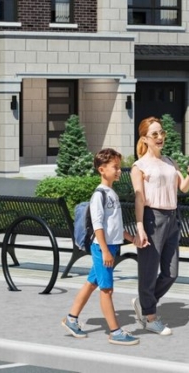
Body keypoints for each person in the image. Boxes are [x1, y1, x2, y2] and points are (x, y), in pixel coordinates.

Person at [130, 117, 189, 336]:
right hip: (152, 218)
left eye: (161, 132)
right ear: (145, 138)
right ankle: (150, 317)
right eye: (155, 134)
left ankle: (146, 302)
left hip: (172, 218)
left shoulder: (170, 161)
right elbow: (139, 199)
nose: (160, 137)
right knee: (149, 271)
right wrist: (140, 226)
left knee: (171, 272)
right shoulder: (139, 166)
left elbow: (183, 188)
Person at [62, 148, 140, 345]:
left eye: (119, 167)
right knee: (106, 290)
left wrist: (132, 238)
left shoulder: (111, 193)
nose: (119, 170)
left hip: (111, 247)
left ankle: (71, 319)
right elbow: (98, 225)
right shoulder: (99, 195)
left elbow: (115, 226)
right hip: (102, 248)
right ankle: (115, 332)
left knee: (92, 283)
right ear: (102, 169)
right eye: (115, 167)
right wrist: (105, 250)